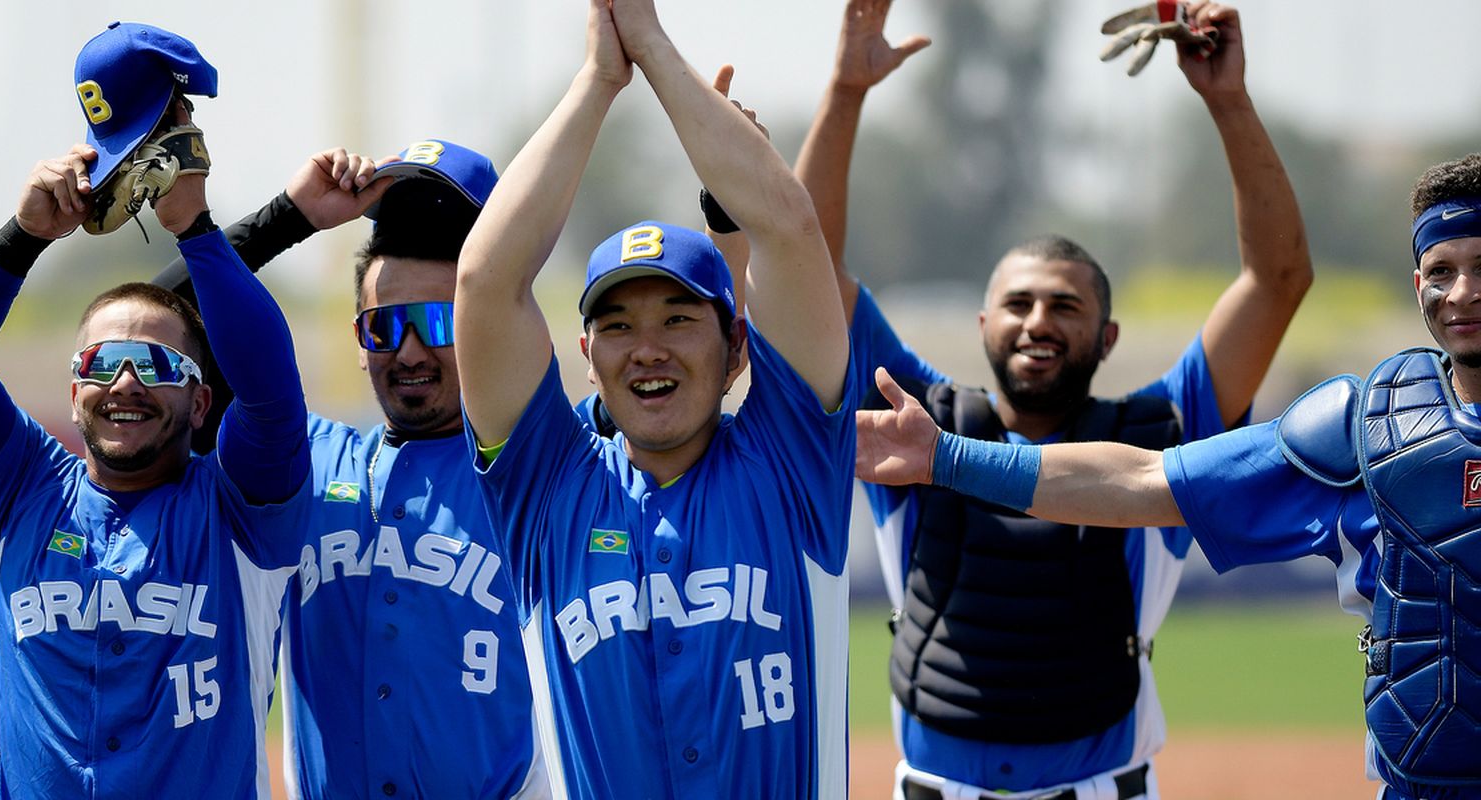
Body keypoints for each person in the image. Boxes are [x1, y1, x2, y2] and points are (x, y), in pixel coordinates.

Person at [792, 1, 1313, 797]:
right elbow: (804, 272)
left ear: (1107, 338)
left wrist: (1228, 100)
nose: (1039, 321)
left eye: (1066, 307)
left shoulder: (1161, 435)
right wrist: (845, 91)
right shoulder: (911, 421)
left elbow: (1278, 282)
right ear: (983, 324)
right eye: (1021, 302)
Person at [855, 151, 1481, 800]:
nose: (1462, 291)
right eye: (1442, 270)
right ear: (1418, 284)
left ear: (1107, 335)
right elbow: (1144, 482)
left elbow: (1276, 280)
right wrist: (944, 458)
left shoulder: (1161, 416)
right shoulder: (1366, 429)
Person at [0, 23, 309, 800]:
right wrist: (22, 238)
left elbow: (275, 396)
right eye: (101, 363)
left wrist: (195, 225)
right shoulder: (19, 490)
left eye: (156, 364)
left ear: (201, 399)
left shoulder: (243, 514)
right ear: (73, 388)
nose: (124, 382)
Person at [453, 0, 856, 797]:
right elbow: (485, 281)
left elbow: (787, 229)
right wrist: (600, 80)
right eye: (618, 324)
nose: (648, 348)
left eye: (678, 318)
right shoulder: (547, 490)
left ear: (738, 348)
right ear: (586, 357)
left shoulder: (793, 461)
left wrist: (651, 45)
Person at [151, 141, 550, 798]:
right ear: (358, 343)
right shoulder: (298, 463)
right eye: (384, 328)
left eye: (439, 321)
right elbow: (147, 328)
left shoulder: (545, 470)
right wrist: (290, 217)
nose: (411, 350)